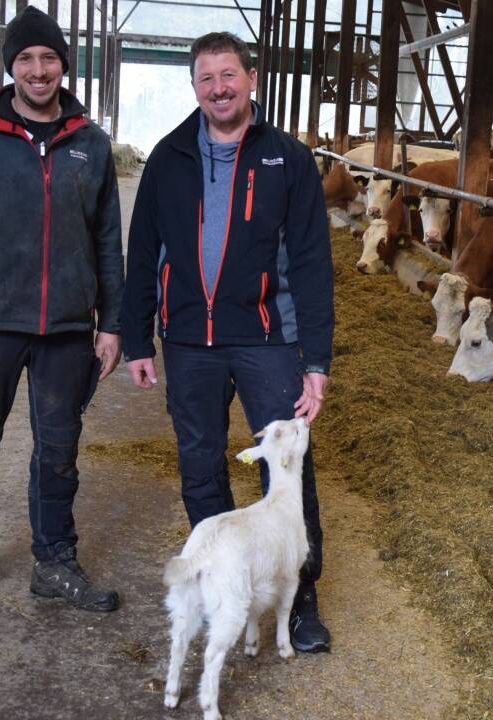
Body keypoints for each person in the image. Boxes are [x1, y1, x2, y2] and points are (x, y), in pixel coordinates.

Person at [120, 32, 334, 652]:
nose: (219, 88)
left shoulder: (288, 159)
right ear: (194, 86)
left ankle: (300, 598)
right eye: (207, 78)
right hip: (189, 339)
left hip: (268, 338)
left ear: (251, 79)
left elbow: (312, 263)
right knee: (199, 462)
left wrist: (316, 357)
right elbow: (143, 253)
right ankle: (222, 582)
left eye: (229, 75)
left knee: (286, 467)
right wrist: (137, 339)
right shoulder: (168, 157)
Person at [0, 5, 125, 631]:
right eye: (26, 59)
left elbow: (106, 241)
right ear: (11, 66)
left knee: (59, 451)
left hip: (66, 328)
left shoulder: (90, 143)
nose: (38, 70)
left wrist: (112, 323)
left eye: (49, 58)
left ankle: (54, 562)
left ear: (64, 64)